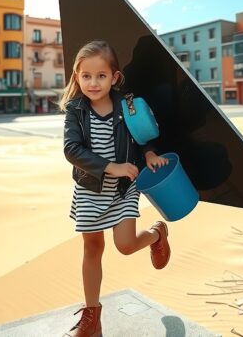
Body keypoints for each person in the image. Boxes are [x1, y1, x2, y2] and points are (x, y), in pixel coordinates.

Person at [60, 40, 171, 337]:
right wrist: (112, 166)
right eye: (86, 76)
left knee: (124, 246)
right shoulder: (75, 110)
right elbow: (71, 149)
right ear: (77, 77)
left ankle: (157, 234)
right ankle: (92, 314)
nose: (93, 83)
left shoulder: (127, 105)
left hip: (122, 190)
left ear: (114, 77)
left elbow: (142, 135)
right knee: (92, 248)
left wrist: (148, 154)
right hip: (89, 189)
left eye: (101, 76)